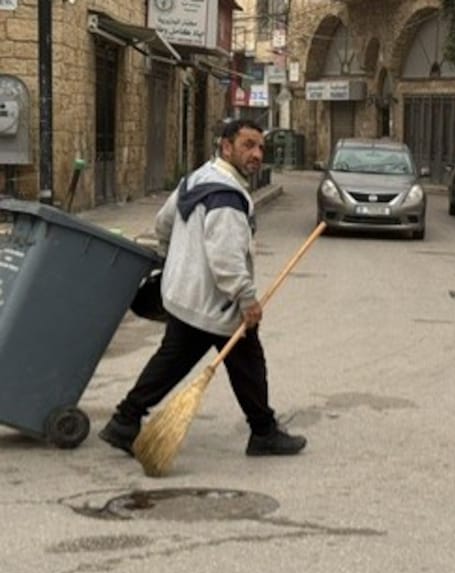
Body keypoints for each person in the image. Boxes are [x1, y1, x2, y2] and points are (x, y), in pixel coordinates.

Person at [98, 118, 306, 458]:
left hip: (183, 296)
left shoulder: (196, 179)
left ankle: (125, 420)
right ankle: (264, 432)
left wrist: (181, 260)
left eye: (260, 147)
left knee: (175, 361)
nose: (256, 154)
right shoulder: (226, 198)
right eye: (247, 145)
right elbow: (226, 259)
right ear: (226, 147)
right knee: (247, 362)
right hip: (216, 304)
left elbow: (163, 224)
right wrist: (246, 299)